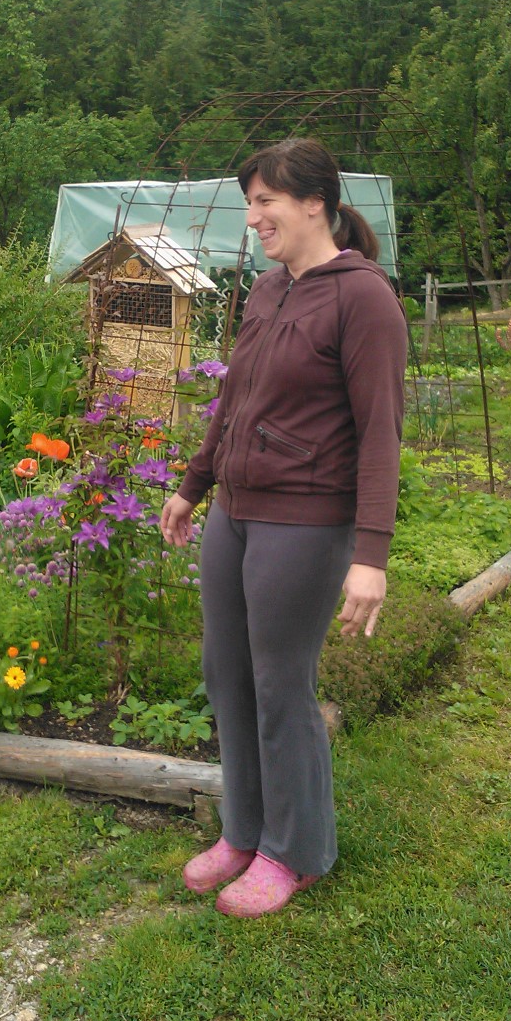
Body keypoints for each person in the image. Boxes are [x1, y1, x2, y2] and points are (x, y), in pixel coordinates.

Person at [160, 137, 408, 917]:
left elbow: (380, 433)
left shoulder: (363, 298)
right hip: (235, 512)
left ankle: (294, 850)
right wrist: (194, 484)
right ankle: (244, 831)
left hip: (306, 520)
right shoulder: (268, 291)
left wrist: (370, 554)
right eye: (250, 204)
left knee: (279, 684)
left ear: (313, 203)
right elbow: (234, 399)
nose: (253, 218)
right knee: (226, 673)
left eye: (264, 202)